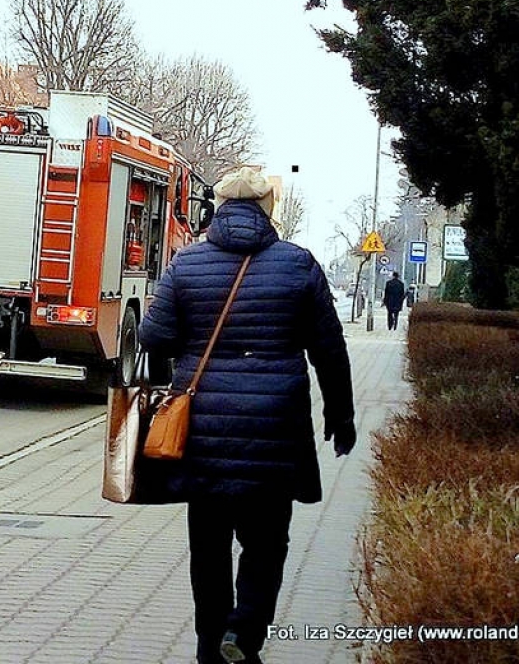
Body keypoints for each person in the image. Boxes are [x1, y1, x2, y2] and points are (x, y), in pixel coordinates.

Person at [138, 166, 356, 664]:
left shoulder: (187, 264)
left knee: (208, 547)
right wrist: (341, 419)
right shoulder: (299, 265)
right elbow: (330, 349)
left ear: (218, 208)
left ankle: (208, 646)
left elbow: (154, 338)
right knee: (266, 544)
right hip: (274, 427)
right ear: (267, 208)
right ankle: (244, 632)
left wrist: (187, 359)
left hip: (203, 426)